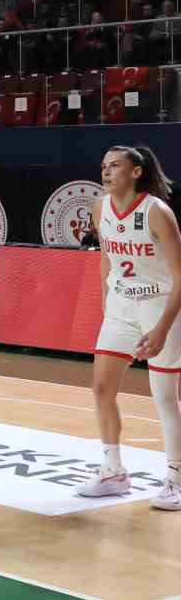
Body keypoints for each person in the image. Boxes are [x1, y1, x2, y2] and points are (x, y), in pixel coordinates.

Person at [73, 146, 181, 507]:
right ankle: (113, 472)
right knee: (102, 388)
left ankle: (176, 477)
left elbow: (180, 277)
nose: (106, 172)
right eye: (103, 166)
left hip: (159, 306)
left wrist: (163, 328)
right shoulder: (100, 207)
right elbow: (107, 257)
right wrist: (106, 301)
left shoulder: (157, 213)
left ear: (136, 172)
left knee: (164, 396)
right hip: (121, 305)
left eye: (114, 166)